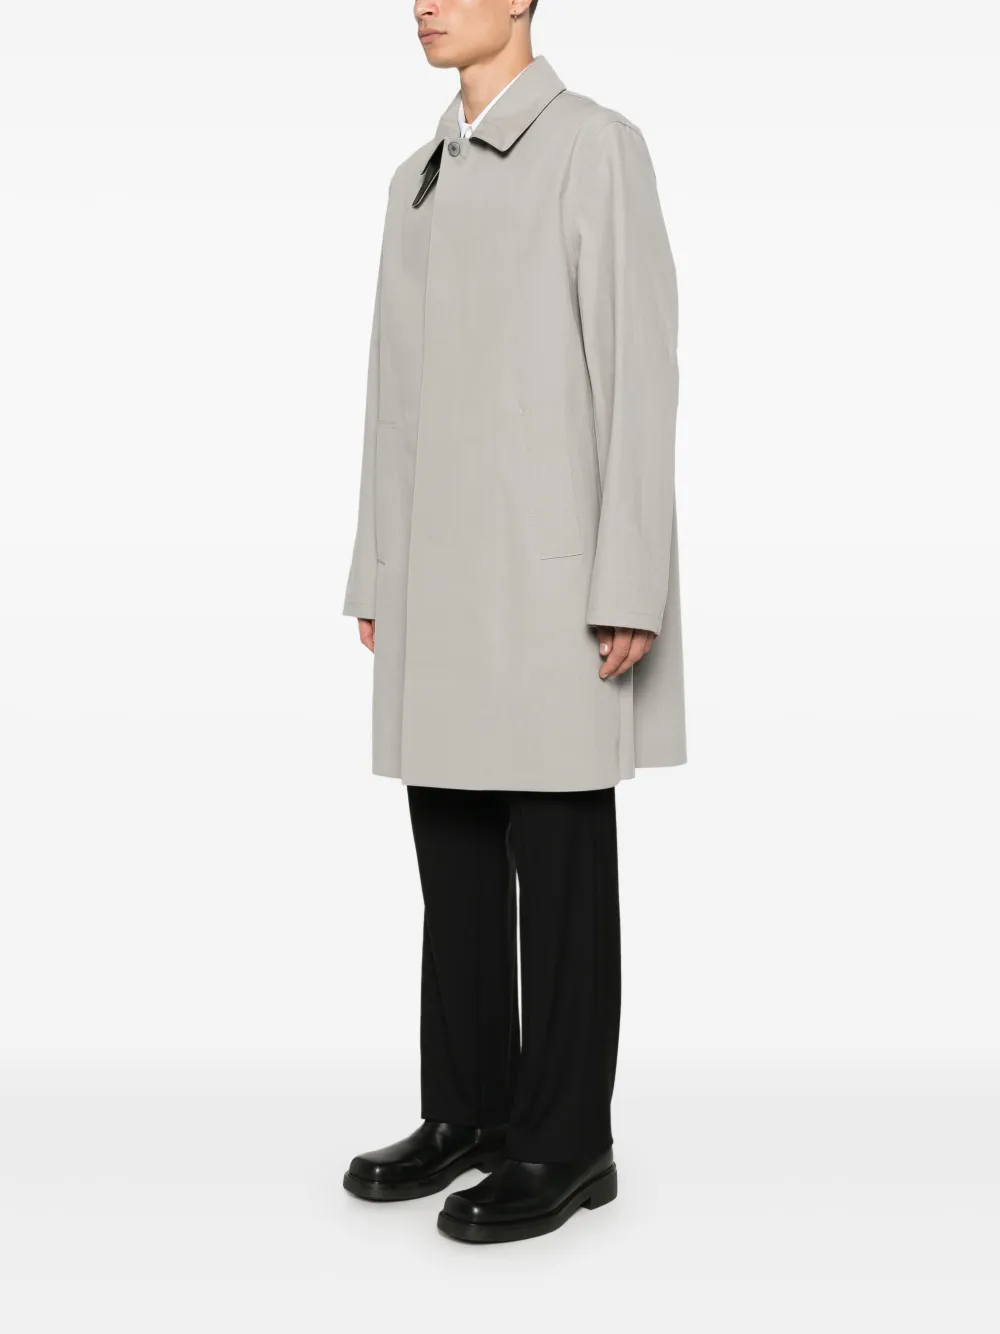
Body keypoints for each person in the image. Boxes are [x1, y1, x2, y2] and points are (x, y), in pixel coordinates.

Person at [341, 0, 685, 1245]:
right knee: (453, 853)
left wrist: (628, 578)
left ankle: (567, 1138)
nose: (423, 4)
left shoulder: (595, 146)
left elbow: (639, 372)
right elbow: (389, 393)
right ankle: (469, 1109)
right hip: (436, 575)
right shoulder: (415, 179)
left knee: (559, 852)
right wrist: (375, 568)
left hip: (551, 578)